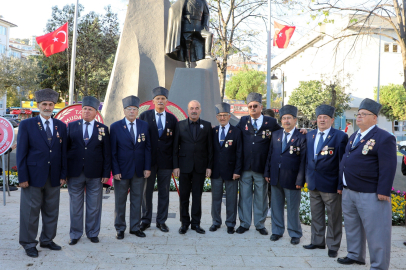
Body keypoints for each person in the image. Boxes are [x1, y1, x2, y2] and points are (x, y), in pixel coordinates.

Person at [337, 98, 397, 269]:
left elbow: (388, 167)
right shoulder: (355, 135)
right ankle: (355, 255)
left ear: (375, 118)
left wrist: (384, 190)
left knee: (377, 232)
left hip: (370, 193)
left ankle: (378, 265)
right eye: (358, 114)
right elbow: (346, 160)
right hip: (350, 191)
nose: (359, 117)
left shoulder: (384, 137)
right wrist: (341, 185)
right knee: (352, 226)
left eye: (364, 114)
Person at [17, 88, 67, 258]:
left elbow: (63, 153)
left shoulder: (61, 126)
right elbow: (21, 152)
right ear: (38, 105)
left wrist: (62, 174)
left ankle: (47, 239)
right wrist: (22, 177)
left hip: (53, 176)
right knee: (30, 212)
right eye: (44, 104)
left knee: (52, 211)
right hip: (32, 176)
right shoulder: (27, 124)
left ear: (54, 106)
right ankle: (29, 243)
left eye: (50, 104)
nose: (47, 107)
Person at [302, 105, 348, 258]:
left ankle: (333, 245)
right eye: (319, 117)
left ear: (332, 120)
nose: (322, 120)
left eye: (325, 118)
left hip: (331, 184)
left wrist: (340, 184)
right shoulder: (310, 135)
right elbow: (308, 158)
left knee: (334, 217)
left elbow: (342, 162)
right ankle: (317, 241)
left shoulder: (339, 136)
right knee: (316, 214)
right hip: (313, 182)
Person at [66, 96, 111, 245]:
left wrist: (106, 173)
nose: (86, 111)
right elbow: (65, 151)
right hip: (75, 173)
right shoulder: (71, 126)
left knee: (94, 206)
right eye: (84, 108)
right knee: (75, 206)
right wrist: (64, 173)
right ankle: (75, 234)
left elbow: (106, 153)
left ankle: (92, 233)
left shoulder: (103, 129)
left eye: (90, 109)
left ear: (95, 112)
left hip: (96, 174)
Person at [236, 93, 282, 235]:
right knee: (244, 196)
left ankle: (259, 224)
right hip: (245, 167)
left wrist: (301, 131)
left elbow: (284, 133)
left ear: (261, 107)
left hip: (262, 167)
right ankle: (244, 223)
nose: (253, 108)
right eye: (250, 106)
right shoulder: (243, 121)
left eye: (255, 106)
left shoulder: (271, 122)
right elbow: (233, 134)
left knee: (261, 197)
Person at [110, 96, 151, 240]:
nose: (132, 111)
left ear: (138, 111)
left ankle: (135, 227)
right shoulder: (115, 127)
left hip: (139, 170)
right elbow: (113, 152)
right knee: (120, 201)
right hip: (122, 171)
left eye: (134, 109)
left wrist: (147, 167)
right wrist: (115, 170)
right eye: (129, 109)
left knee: (137, 200)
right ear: (124, 110)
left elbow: (147, 148)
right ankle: (120, 228)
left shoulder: (144, 125)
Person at [264, 105, 306, 245]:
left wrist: (301, 179)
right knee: (276, 206)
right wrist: (267, 172)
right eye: (283, 118)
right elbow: (270, 155)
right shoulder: (276, 135)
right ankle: (277, 231)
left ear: (295, 120)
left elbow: (303, 160)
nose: (286, 121)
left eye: (289, 118)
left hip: (293, 179)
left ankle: (295, 233)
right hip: (275, 176)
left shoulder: (301, 136)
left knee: (293, 208)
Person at [139, 87, 178, 233]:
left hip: (166, 163)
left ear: (167, 101)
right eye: (158, 99)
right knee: (146, 192)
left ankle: (161, 221)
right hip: (149, 163)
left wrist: (175, 165)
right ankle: (145, 220)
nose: (160, 101)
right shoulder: (145, 116)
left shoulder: (172, 119)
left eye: (163, 99)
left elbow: (175, 144)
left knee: (164, 193)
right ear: (153, 101)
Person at [173, 100, 213, 234]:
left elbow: (210, 148)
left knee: (197, 196)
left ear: (200, 110)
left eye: (196, 108)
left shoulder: (207, 126)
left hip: (200, 167)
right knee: (183, 197)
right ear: (188, 110)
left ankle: (196, 224)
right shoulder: (180, 125)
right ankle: (184, 223)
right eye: (191, 108)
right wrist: (176, 166)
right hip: (184, 167)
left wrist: (209, 166)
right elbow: (175, 148)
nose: (194, 110)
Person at [210, 103, 242, 234]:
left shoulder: (236, 132)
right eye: (220, 115)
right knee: (215, 199)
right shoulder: (213, 131)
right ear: (217, 117)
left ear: (229, 116)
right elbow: (210, 152)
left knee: (231, 199)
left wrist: (237, 171)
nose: (222, 118)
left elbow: (240, 153)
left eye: (225, 115)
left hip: (231, 171)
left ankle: (230, 223)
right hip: (216, 171)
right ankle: (216, 222)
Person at [262, 108, 275, 218]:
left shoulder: (275, 128)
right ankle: (263, 207)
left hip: (271, 162)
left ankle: (271, 208)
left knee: (271, 188)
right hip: (261, 162)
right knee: (262, 188)